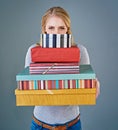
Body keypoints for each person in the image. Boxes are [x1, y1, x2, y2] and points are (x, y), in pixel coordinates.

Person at [25, 6, 100, 130]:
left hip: (71, 124)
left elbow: (85, 88)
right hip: (40, 125)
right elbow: (29, 89)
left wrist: (92, 87)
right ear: (44, 29)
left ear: (67, 30)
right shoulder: (33, 51)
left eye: (61, 28)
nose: (56, 33)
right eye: (51, 28)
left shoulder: (80, 51)